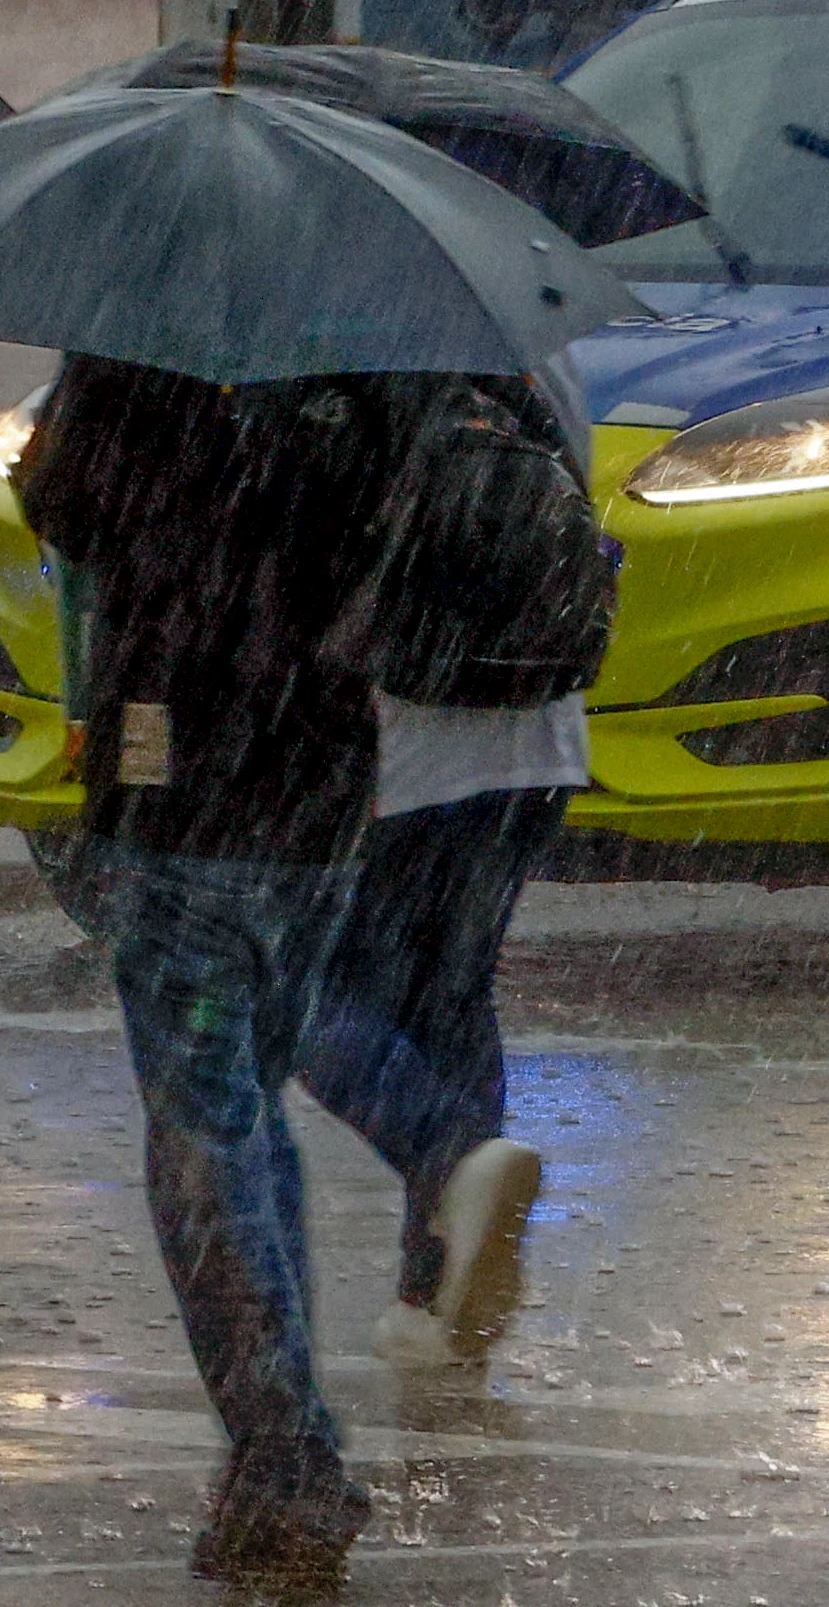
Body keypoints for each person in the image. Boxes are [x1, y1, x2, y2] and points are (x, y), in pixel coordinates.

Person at [19, 357, 399, 1589]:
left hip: (186, 793)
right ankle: (272, 1458)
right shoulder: (371, 345)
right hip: (325, 801)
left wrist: (60, 452)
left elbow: (69, 510)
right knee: (249, 1123)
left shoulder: (146, 344)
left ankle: (289, 1461)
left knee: (205, 1146)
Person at [296, 369, 595, 1372]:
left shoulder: (342, 371)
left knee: (295, 994)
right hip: (539, 735)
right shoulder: (530, 352)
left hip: (401, 741)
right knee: (454, 998)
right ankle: (434, 1291)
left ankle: (452, 1161)